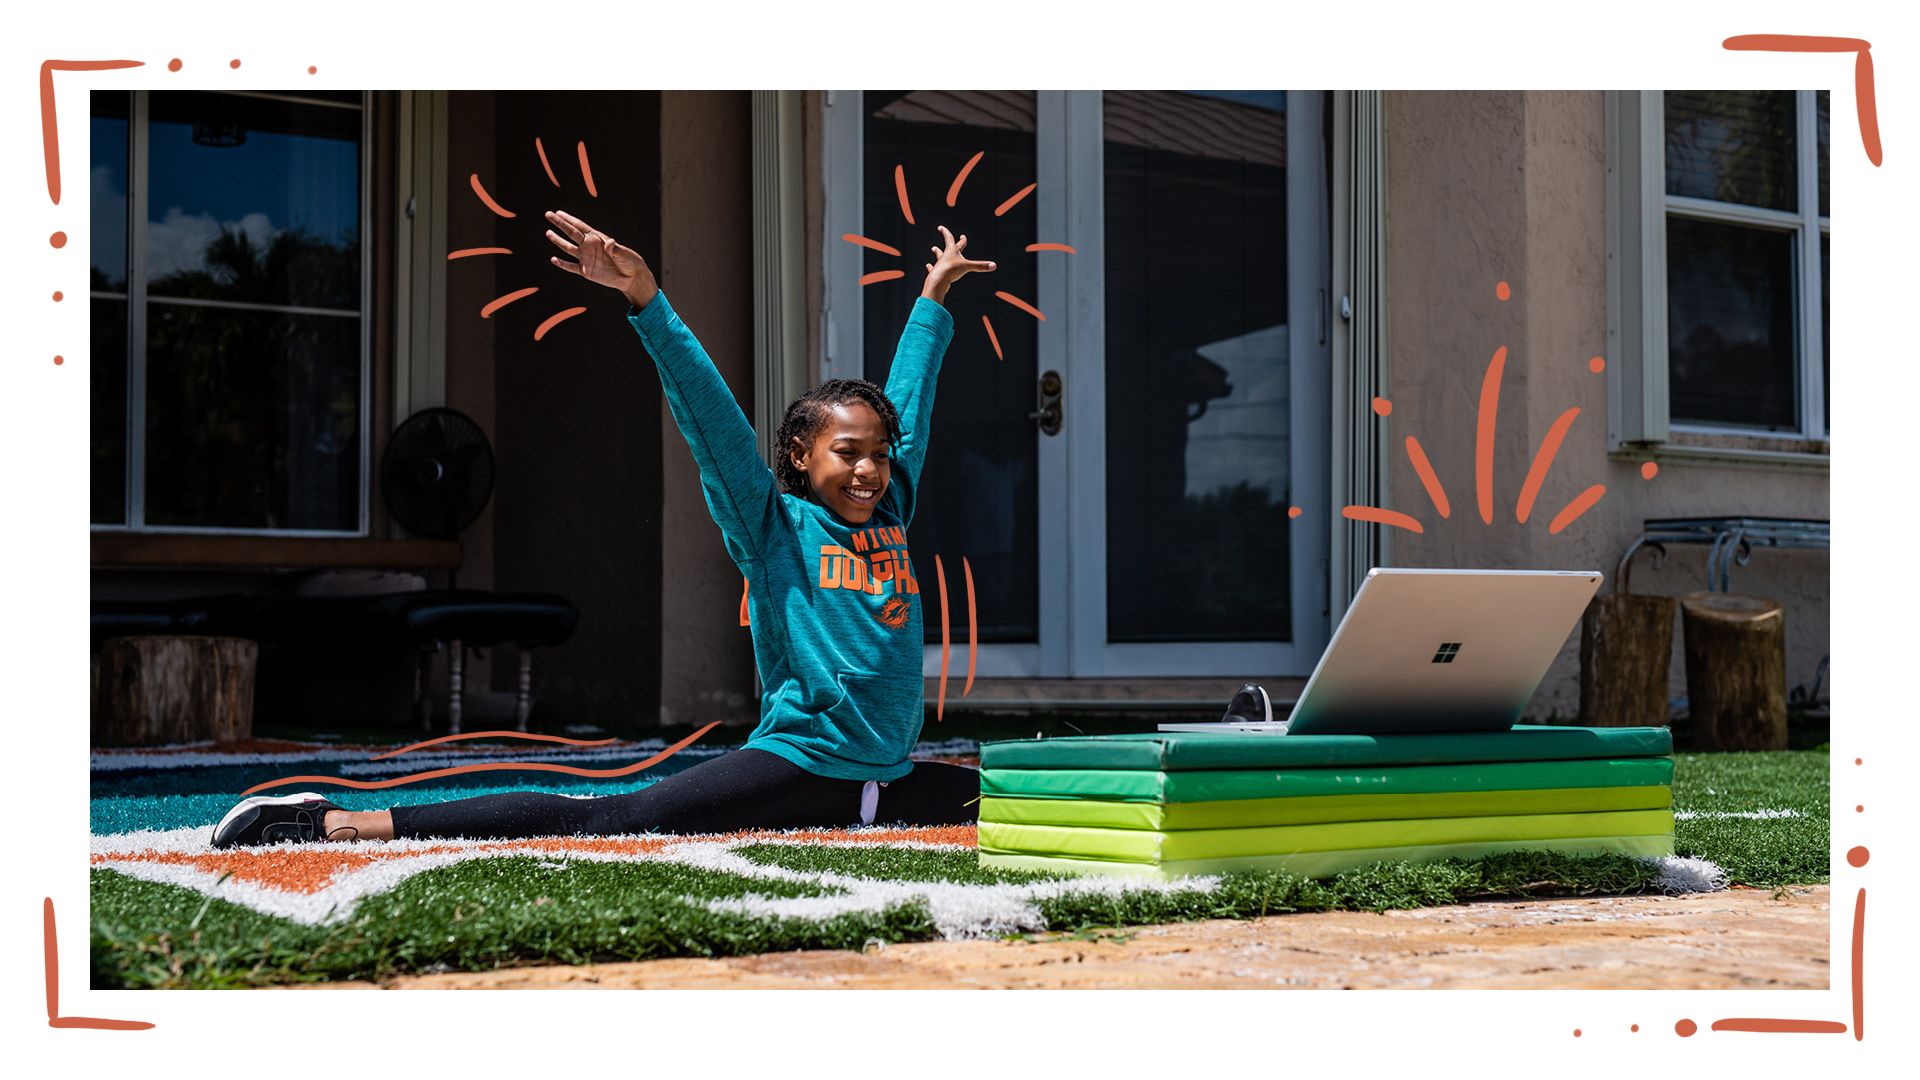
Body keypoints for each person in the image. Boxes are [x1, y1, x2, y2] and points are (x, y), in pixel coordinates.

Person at [211, 209, 996, 848]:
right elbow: (712, 421)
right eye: (846, 453)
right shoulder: (773, 523)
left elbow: (910, 410)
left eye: (878, 457)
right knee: (614, 821)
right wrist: (648, 301)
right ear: (800, 452)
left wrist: (932, 301)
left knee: (1018, 804)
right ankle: (337, 821)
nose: (867, 470)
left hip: (890, 780)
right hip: (801, 764)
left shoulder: (892, 508)